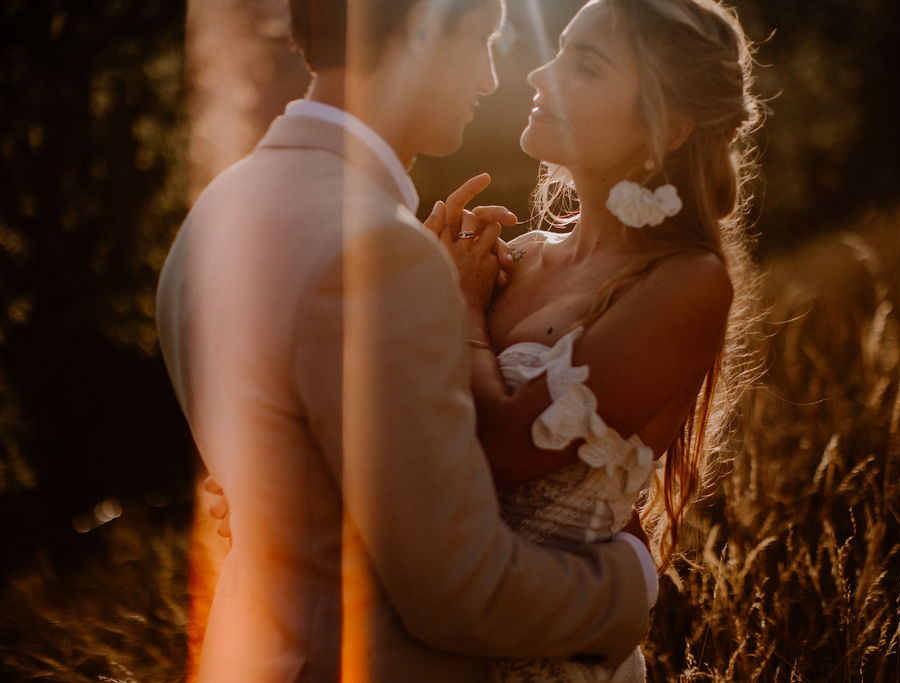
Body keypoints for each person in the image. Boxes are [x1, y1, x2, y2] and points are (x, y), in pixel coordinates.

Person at [155, 0, 658, 681]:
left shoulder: (215, 211)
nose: (487, 78)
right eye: (483, 40)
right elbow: (460, 595)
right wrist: (629, 584)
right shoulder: (383, 253)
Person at [423, 0, 763, 679]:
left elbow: (502, 448)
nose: (540, 76)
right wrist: (421, 289)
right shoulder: (519, 254)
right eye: (559, 52)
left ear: (665, 126)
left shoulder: (685, 284)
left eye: (585, 64)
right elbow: (418, 427)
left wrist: (457, 307)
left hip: (550, 656)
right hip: (431, 641)